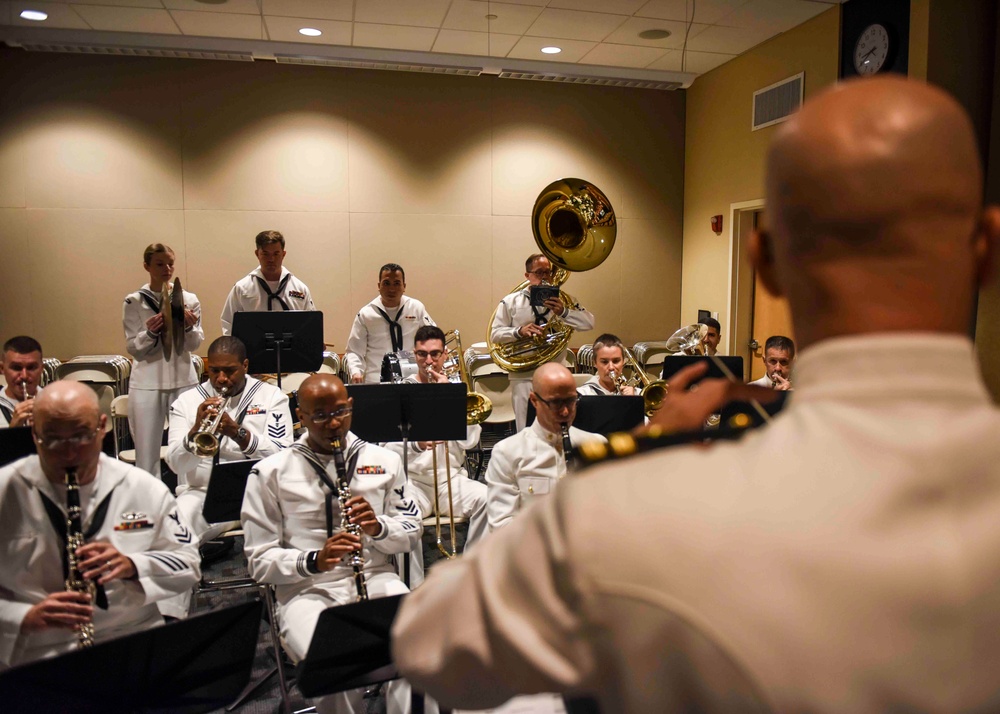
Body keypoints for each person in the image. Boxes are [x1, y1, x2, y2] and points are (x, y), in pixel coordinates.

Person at [391, 77, 1000, 713]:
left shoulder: (646, 508)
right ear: (985, 250)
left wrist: (634, 464)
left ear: (763, 259)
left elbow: (434, 641)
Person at [242, 373, 419, 713]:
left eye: (341, 411)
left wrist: (378, 527)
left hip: (376, 579)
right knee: (333, 668)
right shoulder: (269, 473)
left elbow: (411, 532)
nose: (333, 423)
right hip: (306, 591)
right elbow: (258, 561)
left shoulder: (383, 461)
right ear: (301, 416)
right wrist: (314, 560)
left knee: (417, 655)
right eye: (320, 415)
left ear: (351, 407)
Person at [0, 381, 200, 668]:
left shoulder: (142, 487)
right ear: (34, 435)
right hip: (36, 649)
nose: (69, 454)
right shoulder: (5, 490)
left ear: (102, 427)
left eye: (81, 436)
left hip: (131, 636)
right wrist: (21, 617)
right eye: (53, 439)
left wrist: (134, 565)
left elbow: (189, 565)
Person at [382, 325, 488, 585]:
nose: (428, 361)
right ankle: (414, 588)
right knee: (403, 516)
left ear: (444, 356)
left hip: (450, 480)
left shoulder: (456, 389)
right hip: (414, 481)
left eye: (435, 354)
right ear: (414, 355)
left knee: (489, 498)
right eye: (422, 354)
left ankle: (471, 576)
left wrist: (451, 399)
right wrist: (416, 445)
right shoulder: (401, 393)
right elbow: (384, 448)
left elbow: (471, 441)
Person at [165, 336, 292, 549]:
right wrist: (195, 431)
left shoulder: (272, 397)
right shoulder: (186, 402)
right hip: (203, 494)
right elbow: (176, 464)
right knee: (172, 531)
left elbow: (284, 457)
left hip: (263, 495)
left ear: (245, 365)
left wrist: (238, 434)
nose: (221, 379)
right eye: (214, 371)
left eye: (230, 370)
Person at [486, 363, 606, 532]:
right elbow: (501, 525)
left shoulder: (596, 444)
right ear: (535, 400)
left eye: (571, 401)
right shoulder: (507, 452)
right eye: (556, 403)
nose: (565, 412)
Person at [122, 243, 204, 478]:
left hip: (182, 378)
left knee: (189, 445)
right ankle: (150, 504)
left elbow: (195, 344)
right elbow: (133, 348)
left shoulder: (188, 299)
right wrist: (149, 333)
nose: (166, 268)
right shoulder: (133, 302)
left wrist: (188, 328)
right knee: (146, 451)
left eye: (170, 264)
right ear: (147, 266)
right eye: (160, 264)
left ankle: (190, 496)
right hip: (147, 382)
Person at [490, 253, 595, 431]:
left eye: (548, 272)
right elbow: (495, 334)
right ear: (527, 276)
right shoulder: (510, 301)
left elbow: (589, 323)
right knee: (524, 428)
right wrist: (519, 331)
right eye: (539, 273)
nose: (545, 277)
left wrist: (564, 313)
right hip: (523, 375)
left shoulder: (565, 301)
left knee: (557, 425)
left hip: (554, 375)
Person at [344, 263, 435, 384]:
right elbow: (354, 351)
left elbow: (434, 338)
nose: (391, 289)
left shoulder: (416, 308)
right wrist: (356, 372)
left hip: (412, 379)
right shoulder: (366, 314)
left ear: (404, 286)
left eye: (397, 283)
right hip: (376, 381)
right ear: (379, 285)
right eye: (386, 283)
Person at [220, 230, 316, 336]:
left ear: (283, 254)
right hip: (252, 351)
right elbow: (228, 324)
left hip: (293, 351)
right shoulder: (241, 289)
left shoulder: (300, 289)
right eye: (265, 254)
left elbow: (311, 324)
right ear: (257, 254)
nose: (271, 259)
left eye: (276, 254)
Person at [0, 336, 44, 428]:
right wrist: (13, 432)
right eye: (16, 368)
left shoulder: (54, 403)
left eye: (31, 367)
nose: (24, 376)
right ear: (2, 368)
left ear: (41, 369)